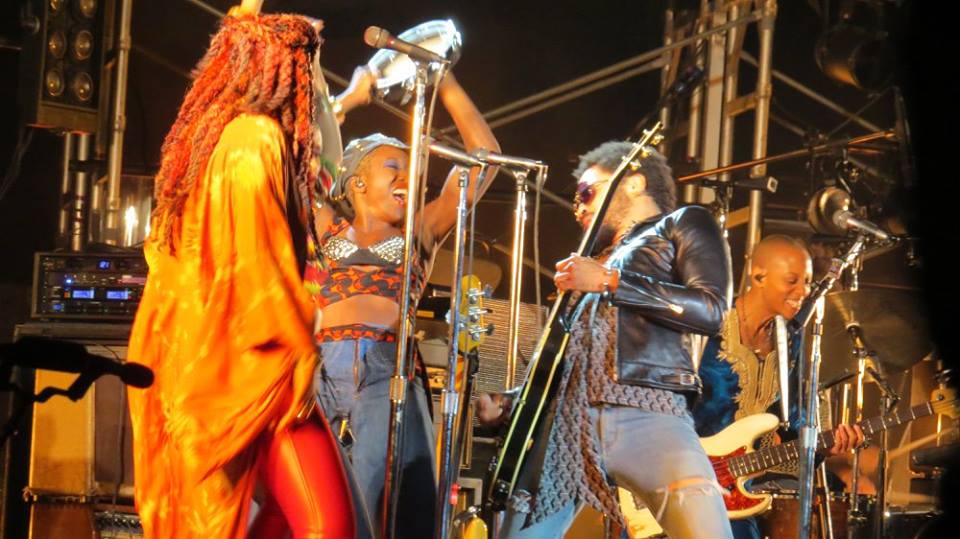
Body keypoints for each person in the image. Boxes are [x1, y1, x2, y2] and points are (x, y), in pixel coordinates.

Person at [127, 11, 354, 538]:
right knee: (327, 524)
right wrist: (300, 345)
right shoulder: (255, 140)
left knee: (278, 516)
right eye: (308, 66)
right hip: (250, 364)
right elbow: (256, 265)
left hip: (209, 362)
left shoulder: (216, 142)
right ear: (281, 67)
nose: (313, 82)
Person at [479, 140, 735, 539]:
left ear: (633, 183)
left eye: (587, 192)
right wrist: (510, 404)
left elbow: (712, 308)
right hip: (567, 426)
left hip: (647, 409)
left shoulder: (680, 223)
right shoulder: (592, 264)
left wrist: (611, 282)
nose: (578, 207)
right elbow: (567, 362)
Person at [303, 67, 500, 538]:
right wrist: (350, 99)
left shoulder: (419, 231)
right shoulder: (325, 226)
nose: (408, 178)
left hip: (385, 373)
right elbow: (299, 157)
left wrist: (445, 81)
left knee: (374, 502)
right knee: (315, 496)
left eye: (412, 172)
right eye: (393, 167)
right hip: (319, 370)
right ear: (356, 182)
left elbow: (485, 160)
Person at [693, 234, 865, 539]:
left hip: (738, 492)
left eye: (808, 282)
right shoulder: (706, 326)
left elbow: (794, 425)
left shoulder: (792, 341)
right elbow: (662, 405)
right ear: (758, 276)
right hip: (681, 479)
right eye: (792, 280)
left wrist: (824, 444)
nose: (804, 291)